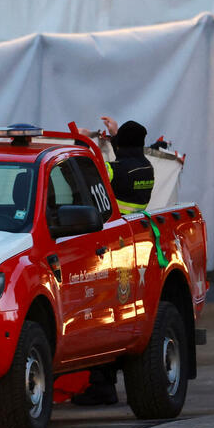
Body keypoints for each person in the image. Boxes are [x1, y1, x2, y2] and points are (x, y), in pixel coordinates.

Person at [73, 117, 155, 406]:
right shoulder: (146, 166)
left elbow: (89, 169)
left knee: (102, 316)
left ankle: (102, 385)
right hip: (132, 242)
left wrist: (83, 140)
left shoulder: (116, 170)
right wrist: (115, 134)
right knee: (119, 314)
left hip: (113, 244)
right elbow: (126, 154)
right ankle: (106, 382)